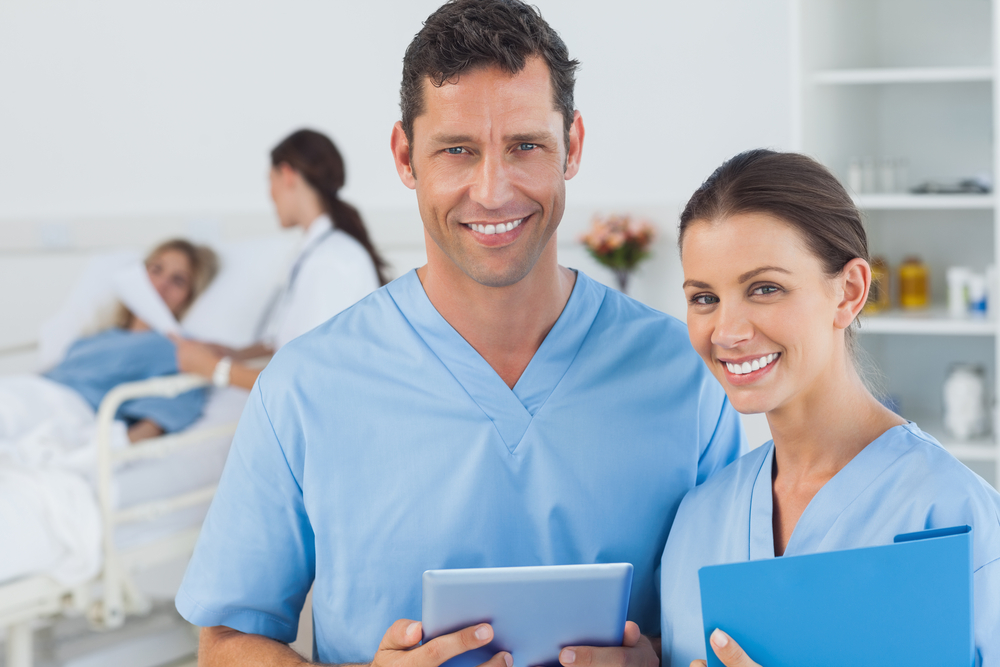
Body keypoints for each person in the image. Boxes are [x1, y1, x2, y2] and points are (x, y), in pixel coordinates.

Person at [175, 2, 745, 666]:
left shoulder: (687, 374)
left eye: (525, 145)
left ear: (574, 146)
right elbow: (223, 640)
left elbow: (724, 631)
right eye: (457, 150)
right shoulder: (304, 388)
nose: (493, 190)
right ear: (405, 156)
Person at [659, 149, 1000, 667]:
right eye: (704, 298)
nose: (727, 331)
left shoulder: (956, 516)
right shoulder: (698, 521)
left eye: (765, 288)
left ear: (850, 291)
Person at [172, 129, 387, 390]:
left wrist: (215, 369)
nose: (269, 194)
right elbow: (291, 346)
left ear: (286, 175)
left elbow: (307, 383)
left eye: (269, 180)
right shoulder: (313, 254)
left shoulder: (333, 262)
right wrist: (232, 354)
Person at [0, 238, 218, 448]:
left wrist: (101, 453)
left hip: (69, 411)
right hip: (31, 391)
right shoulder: (101, 334)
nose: (161, 284)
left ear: (188, 298)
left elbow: (173, 406)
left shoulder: (178, 348)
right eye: (156, 269)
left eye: (178, 281)